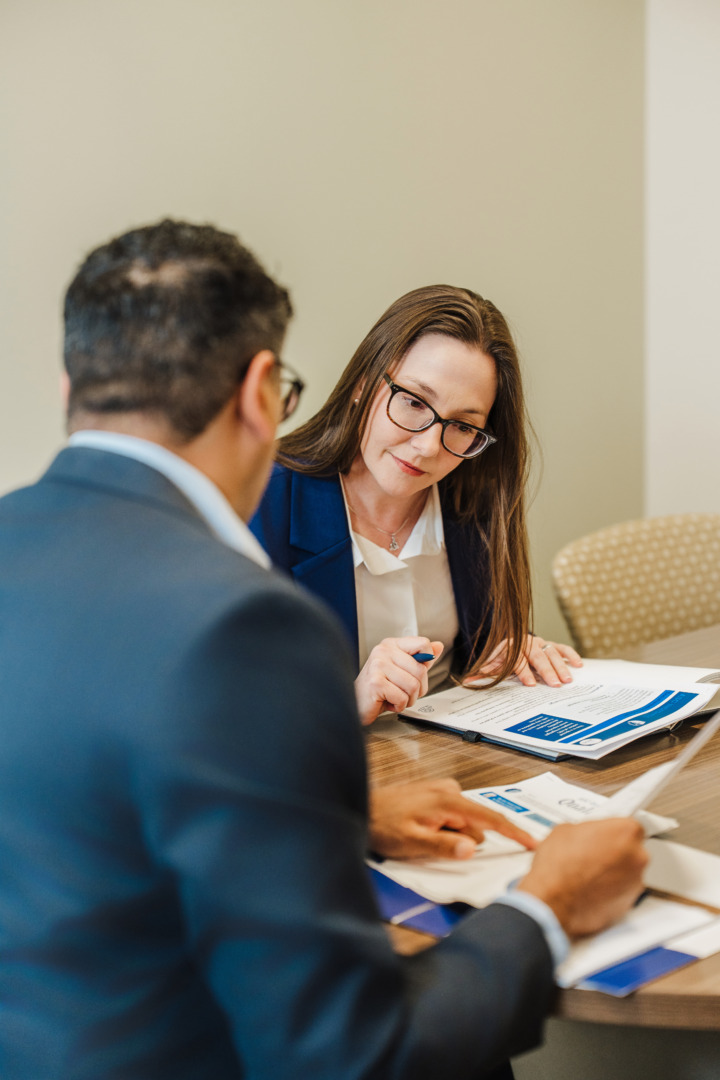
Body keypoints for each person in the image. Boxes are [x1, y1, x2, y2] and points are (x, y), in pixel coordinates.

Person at [0, 219, 647, 1080]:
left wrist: (330, 807)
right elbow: (355, 1054)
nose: (426, 442)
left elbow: (79, 796)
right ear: (264, 391)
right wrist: (550, 905)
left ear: (71, 378)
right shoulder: (246, 622)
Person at [251, 285, 583, 724]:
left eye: (464, 426)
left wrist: (509, 657)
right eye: (412, 401)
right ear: (363, 384)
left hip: (446, 766)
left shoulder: (473, 499)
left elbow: (473, 662)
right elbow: (223, 716)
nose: (428, 447)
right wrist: (347, 704)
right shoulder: (262, 498)